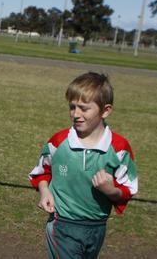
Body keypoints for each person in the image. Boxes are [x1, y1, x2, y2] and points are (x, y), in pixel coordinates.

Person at [28, 72, 138, 259]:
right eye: (72, 107)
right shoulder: (58, 142)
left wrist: (110, 191)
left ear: (105, 110)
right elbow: (41, 173)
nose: (76, 114)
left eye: (84, 109)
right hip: (62, 224)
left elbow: (128, 188)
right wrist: (45, 191)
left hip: (97, 227)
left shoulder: (119, 148)